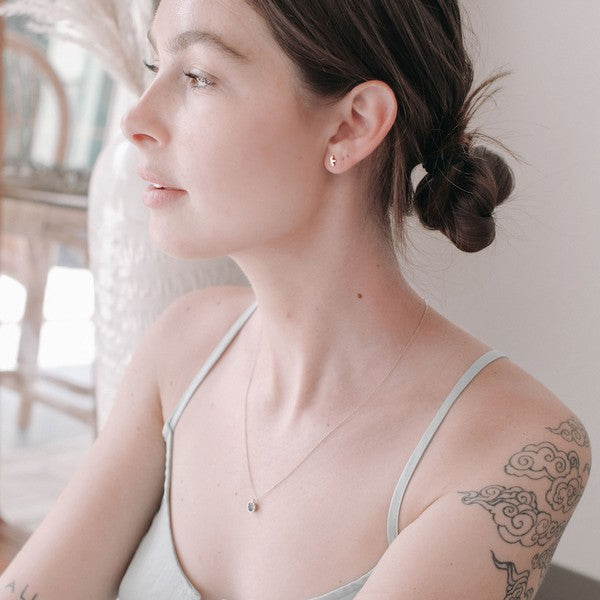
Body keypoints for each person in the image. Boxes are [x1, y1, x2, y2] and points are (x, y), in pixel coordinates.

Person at [0, 0, 591, 598]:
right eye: (156, 65)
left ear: (351, 125)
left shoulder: (520, 446)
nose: (135, 119)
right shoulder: (184, 345)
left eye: (198, 76)